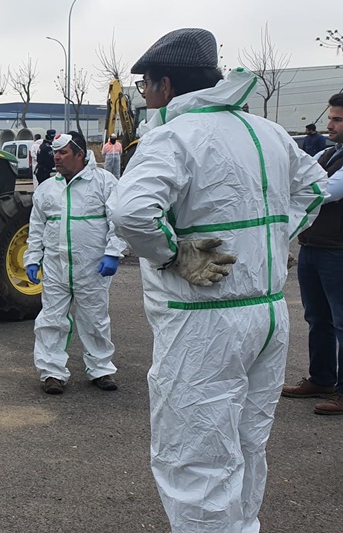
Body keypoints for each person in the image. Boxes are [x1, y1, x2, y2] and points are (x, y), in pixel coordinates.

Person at [111, 29, 327, 532]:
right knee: (247, 445)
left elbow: (129, 212)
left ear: (166, 85)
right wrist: (271, 243)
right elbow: (315, 190)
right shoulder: (268, 131)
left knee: (195, 457)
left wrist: (172, 254)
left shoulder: (174, 137)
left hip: (205, 323)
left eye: (145, 86)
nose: (145, 96)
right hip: (269, 316)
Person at [24, 132, 125, 395]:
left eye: (63, 152)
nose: (56, 157)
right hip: (57, 268)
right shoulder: (47, 188)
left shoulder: (104, 182)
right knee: (51, 320)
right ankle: (52, 373)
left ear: (80, 154)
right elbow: (36, 227)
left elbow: (118, 222)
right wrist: (33, 258)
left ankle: (101, 369)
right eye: (55, 152)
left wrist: (113, 253)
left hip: (92, 267)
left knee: (95, 319)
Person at [284, 94, 343, 415]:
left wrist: (302, 186)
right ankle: (321, 378)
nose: (329, 124)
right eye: (331, 118)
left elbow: (326, 191)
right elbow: (298, 177)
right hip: (313, 248)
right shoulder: (327, 152)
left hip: (338, 252)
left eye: (337, 119)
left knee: (342, 322)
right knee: (317, 318)